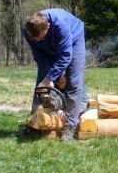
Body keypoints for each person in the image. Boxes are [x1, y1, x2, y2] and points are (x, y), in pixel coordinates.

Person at [22, 8, 88, 141]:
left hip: (74, 38)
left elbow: (66, 56)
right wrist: (48, 78)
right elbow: (39, 56)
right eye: (35, 39)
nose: (37, 41)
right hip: (50, 46)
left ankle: (70, 126)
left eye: (40, 38)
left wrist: (52, 77)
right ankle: (34, 124)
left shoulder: (60, 25)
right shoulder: (28, 31)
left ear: (48, 26)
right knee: (41, 85)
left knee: (73, 81)